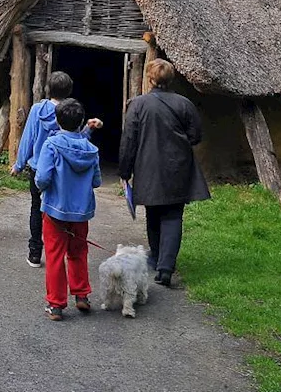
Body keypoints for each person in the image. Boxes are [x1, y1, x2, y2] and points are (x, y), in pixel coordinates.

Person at [118, 58, 208, 287]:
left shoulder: (137, 105)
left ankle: (158, 258)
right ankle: (166, 267)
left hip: (148, 168)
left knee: (154, 213)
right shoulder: (184, 104)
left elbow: (129, 140)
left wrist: (124, 171)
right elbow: (196, 135)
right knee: (173, 215)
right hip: (178, 167)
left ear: (150, 79)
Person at [34, 98, 102, 321]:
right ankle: (81, 295)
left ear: (57, 120)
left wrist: (42, 187)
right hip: (81, 213)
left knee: (54, 256)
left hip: (55, 211)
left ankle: (56, 305)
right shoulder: (91, 150)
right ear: (81, 121)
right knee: (78, 252)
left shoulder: (51, 145)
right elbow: (96, 182)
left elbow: (42, 177)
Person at [11, 72, 77, 267]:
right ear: (69, 90)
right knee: (57, 209)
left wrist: (18, 164)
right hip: (60, 171)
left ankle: (34, 253)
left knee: (36, 208)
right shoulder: (71, 112)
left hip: (38, 168)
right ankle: (58, 251)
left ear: (48, 89)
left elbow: (28, 139)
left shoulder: (37, 110)